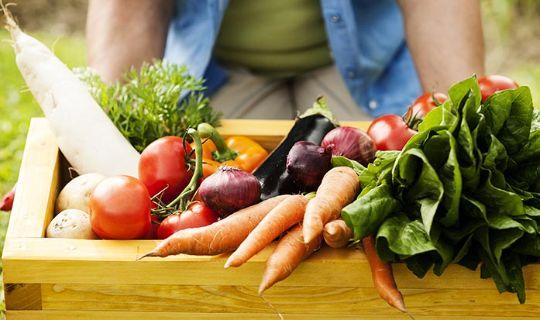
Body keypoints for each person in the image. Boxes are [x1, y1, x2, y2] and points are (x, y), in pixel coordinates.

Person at [86, 0, 485, 120]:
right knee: (216, 196)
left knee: (391, 190)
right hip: (219, 69)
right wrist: (104, 127)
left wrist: (466, 128)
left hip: (366, 66)